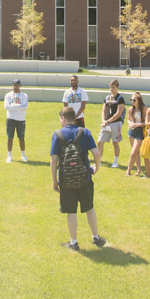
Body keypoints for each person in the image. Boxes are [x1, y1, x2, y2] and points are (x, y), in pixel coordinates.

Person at [50, 106, 106, 251]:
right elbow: (97, 154)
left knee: (71, 211)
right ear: (74, 118)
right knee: (89, 208)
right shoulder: (84, 132)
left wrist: (54, 181)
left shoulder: (57, 134)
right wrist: (96, 168)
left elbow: (53, 160)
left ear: (63, 119)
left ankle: (74, 242)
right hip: (84, 177)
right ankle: (96, 238)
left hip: (66, 179)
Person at [96, 79, 123, 168]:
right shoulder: (107, 98)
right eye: (110, 87)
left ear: (117, 87)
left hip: (115, 123)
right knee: (100, 142)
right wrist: (103, 121)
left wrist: (108, 121)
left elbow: (118, 113)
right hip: (106, 124)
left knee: (115, 143)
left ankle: (115, 162)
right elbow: (103, 110)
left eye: (113, 87)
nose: (111, 89)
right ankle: (98, 161)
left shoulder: (120, 98)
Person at [4, 79, 29, 163]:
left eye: (17, 85)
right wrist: (18, 106)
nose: (16, 86)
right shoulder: (8, 95)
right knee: (10, 138)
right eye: (14, 84)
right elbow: (6, 107)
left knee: (21, 138)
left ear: (20, 86)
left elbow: (25, 107)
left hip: (21, 119)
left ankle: (23, 155)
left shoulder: (24, 95)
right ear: (12, 85)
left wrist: (13, 106)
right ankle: (9, 156)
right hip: (10, 118)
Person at [124, 92, 147, 177]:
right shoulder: (131, 109)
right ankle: (139, 169)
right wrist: (130, 123)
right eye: (131, 100)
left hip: (140, 131)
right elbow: (128, 119)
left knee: (133, 152)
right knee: (136, 152)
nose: (132, 101)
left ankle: (128, 170)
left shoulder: (144, 109)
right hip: (132, 131)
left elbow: (146, 122)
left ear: (139, 100)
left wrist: (138, 124)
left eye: (134, 100)